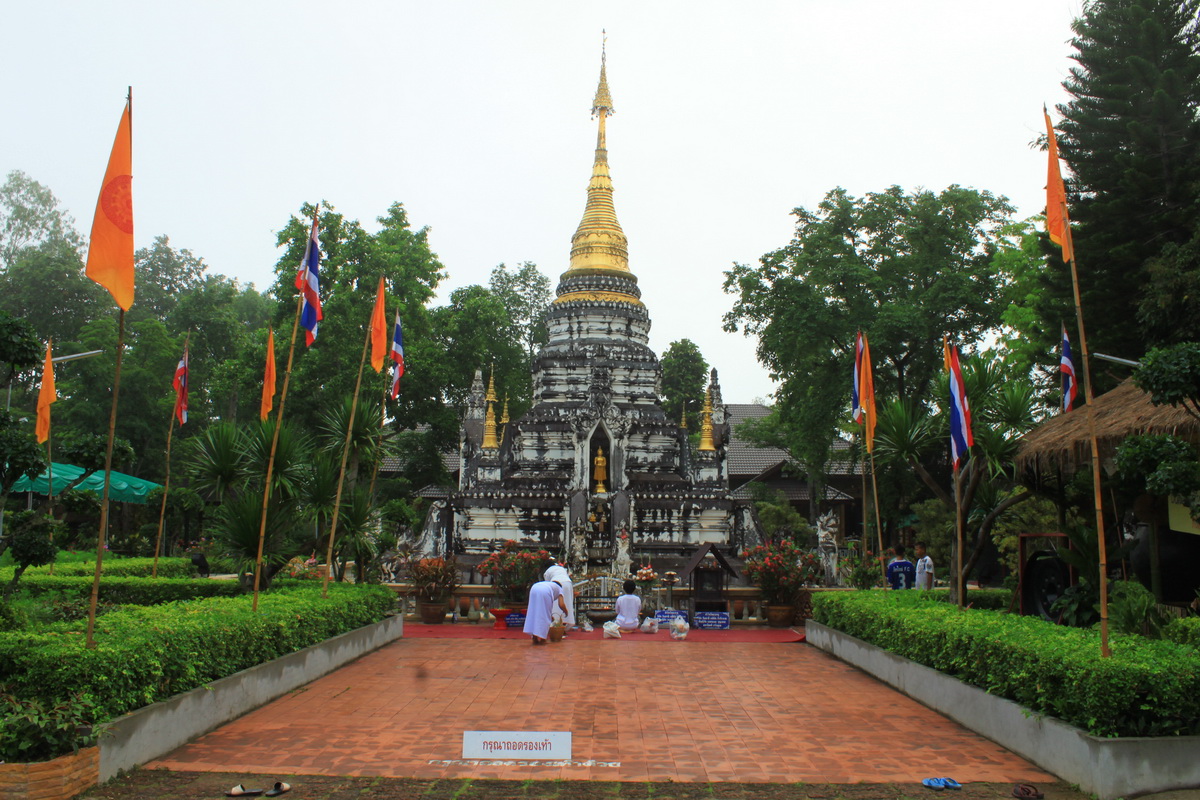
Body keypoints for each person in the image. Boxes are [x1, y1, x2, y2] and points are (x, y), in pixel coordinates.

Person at [523, 579, 569, 645]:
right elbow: (561, 604)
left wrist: (550, 615)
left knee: (533, 612)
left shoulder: (548, 584)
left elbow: (542, 609)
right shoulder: (559, 588)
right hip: (545, 591)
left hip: (534, 588)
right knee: (545, 616)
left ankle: (535, 638)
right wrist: (566, 611)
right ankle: (542, 639)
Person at [543, 559, 576, 628]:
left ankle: (556, 624)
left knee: (555, 606)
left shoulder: (547, 571)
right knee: (567, 603)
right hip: (568, 583)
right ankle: (566, 622)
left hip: (556, 584)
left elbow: (547, 585)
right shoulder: (561, 568)